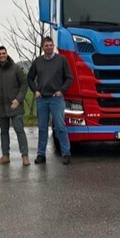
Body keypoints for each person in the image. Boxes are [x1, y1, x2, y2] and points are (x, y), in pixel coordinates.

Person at [27, 36, 73, 164]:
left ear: (54, 46)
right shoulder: (38, 61)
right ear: (43, 47)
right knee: (42, 128)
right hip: (42, 99)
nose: (49, 47)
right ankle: (41, 154)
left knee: (60, 127)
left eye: (51, 45)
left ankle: (66, 154)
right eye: (46, 45)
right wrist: (35, 90)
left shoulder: (61, 60)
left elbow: (69, 78)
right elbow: (30, 78)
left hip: (56, 99)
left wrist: (62, 90)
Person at [0, 46, 30, 166]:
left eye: (3, 53)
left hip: (15, 105)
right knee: (3, 132)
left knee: (19, 130)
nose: (2, 55)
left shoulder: (16, 68)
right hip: (1, 106)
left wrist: (18, 99)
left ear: (7, 53)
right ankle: (5, 156)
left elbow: (24, 84)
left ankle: (25, 156)